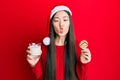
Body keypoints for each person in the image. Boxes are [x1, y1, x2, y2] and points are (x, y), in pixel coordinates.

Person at [26, 5, 91, 80]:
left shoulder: (78, 47)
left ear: (70, 23)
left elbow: (82, 78)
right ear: (52, 24)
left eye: (65, 20)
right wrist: (34, 65)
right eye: (56, 20)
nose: (61, 25)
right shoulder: (42, 48)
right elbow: (40, 77)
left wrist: (83, 64)